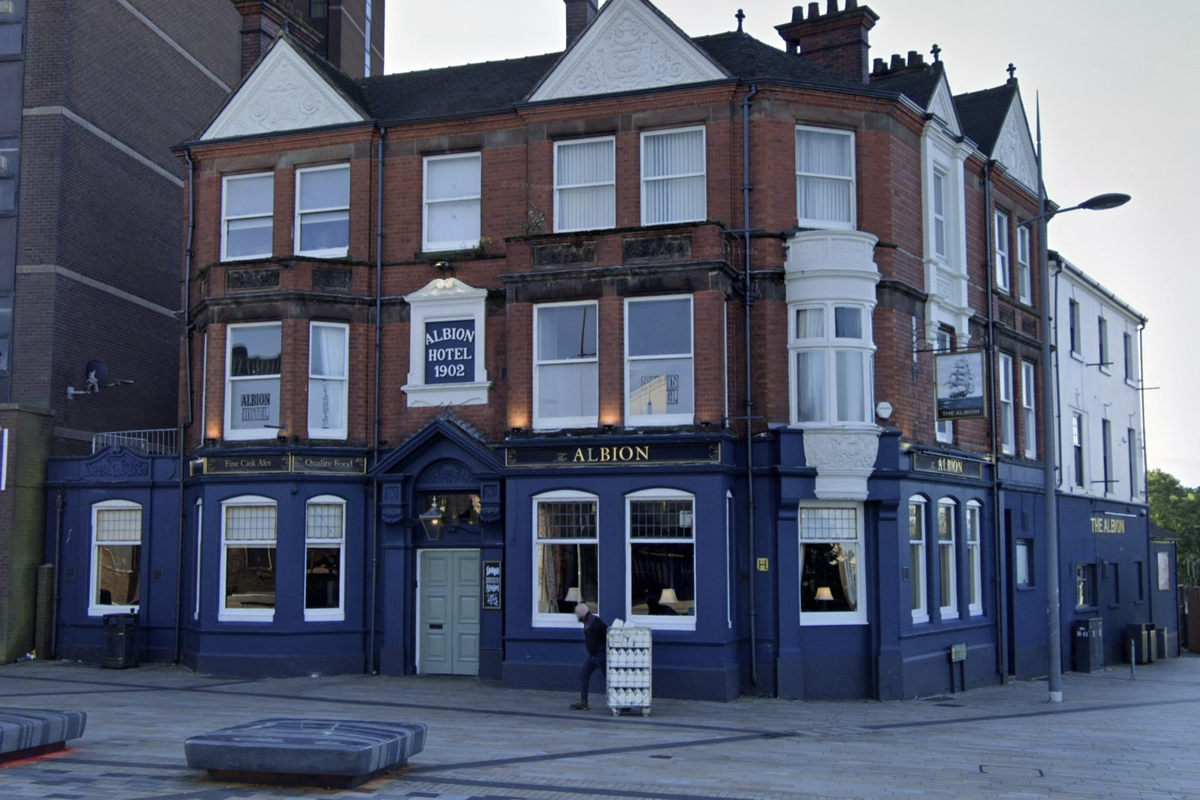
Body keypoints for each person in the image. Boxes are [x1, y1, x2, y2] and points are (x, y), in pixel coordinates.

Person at [570, 603, 607, 711]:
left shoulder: (595, 621)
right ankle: (583, 701)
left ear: (582, 612)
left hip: (600, 654)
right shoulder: (587, 621)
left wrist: (603, 649)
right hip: (593, 655)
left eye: (577, 613)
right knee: (583, 674)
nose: (577, 616)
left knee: (610, 678)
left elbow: (607, 633)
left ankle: (622, 702)